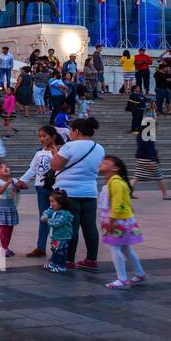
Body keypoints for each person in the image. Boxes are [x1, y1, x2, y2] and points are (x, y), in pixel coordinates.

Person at [48, 116, 105, 271]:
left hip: (68, 192)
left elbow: (55, 166)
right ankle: (91, 259)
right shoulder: (99, 148)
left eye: (71, 130)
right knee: (90, 226)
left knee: (70, 226)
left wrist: (55, 154)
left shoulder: (69, 147)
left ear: (77, 131)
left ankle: (68, 259)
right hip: (90, 191)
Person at [99, 155, 146, 289]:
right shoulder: (112, 181)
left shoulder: (116, 182)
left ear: (115, 168)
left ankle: (122, 278)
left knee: (115, 248)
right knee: (125, 248)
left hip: (118, 221)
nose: (102, 164)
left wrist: (111, 222)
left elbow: (118, 205)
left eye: (106, 163)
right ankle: (139, 273)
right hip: (121, 220)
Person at [14, 126, 59, 258]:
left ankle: (57, 247)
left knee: (57, 218)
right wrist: (22, 180)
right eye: (40, 136)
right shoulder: (39, 153)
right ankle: (41, 247)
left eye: (45, 136)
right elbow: (32, 169)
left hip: (55, 188)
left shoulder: (59, 152)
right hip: (41, 188)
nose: (42, 139)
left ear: (53, 136)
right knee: (44, 217)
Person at [131, 122, 171, 201]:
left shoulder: (140, 134)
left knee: (136, 176)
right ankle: (165, 195)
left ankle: (128, 192)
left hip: (140, 158)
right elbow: (150, 148)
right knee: (159, 177)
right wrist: (152, 160)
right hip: (148, 159)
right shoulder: (149, 135)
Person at [42, 190, 76, 274]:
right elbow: (47, 211)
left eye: (53, 201)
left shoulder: (64, 214)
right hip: (56, 236)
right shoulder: (55, 210)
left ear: (60, 203)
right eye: (50, 201)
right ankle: (54, 263)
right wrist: (45, 214)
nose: (51, 204)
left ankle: (61, 266)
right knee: (55, 250)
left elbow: (57, 223)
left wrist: (47, 220)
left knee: (61, 252)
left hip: (63, 237)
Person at [0, 161, 20, 257]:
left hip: (11, 207)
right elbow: (0, 191)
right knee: (4, 229)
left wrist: (19, 183)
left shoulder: (13, 180)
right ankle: (3, 248)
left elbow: (24, 186)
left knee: (10, 229)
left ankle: (6, 247)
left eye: (7, 166)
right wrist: (8, 182)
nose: (5, 168)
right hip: (1, 208)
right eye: (1, 167)